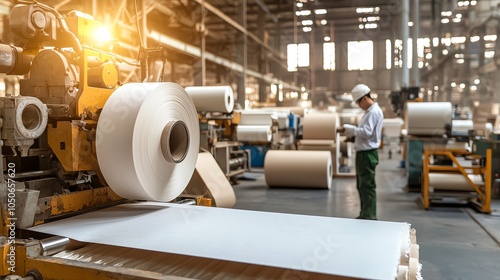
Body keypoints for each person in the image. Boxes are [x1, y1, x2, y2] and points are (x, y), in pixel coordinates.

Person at [343, 84, 384, 220]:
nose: (359, 106)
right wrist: (353, 137)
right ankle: (365, 213)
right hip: (364, 152)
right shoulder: (370, 112)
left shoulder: (373, 112)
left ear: (365, 98)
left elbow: (366, 133)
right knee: (362, 185)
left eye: (358, 102)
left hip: (367, 154)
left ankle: (369, 215)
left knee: (367, 186)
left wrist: (349, 129)